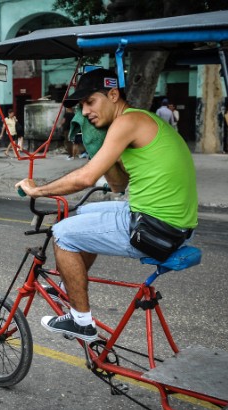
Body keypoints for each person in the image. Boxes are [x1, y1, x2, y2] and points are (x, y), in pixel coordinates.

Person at [15, 68, 197, 342]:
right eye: (81, 106)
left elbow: (86, 177)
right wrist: (100, 145)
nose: (85, 112)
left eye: (90, 102)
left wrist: (37, 190)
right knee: (85, 212)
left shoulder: (127, 122)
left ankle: (81, 321)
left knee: (62, 233)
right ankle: (68, 285)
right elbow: (118, 186)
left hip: (153, 228)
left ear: (113, 95)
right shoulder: (137, 121)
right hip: (168, 223)